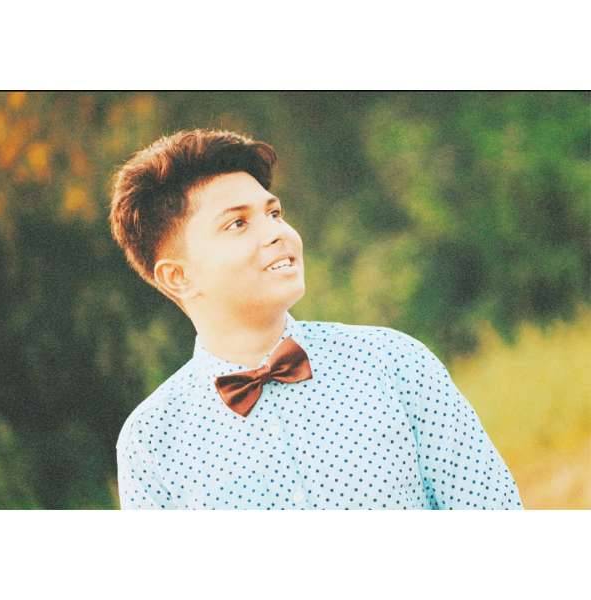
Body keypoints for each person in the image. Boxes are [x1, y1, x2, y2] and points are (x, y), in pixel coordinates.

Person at [109, 127, 522, 510]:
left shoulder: (394, 362)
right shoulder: (151, 441)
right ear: (178, 276)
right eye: (238, 223)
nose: (277, 233)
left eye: (274, 213)